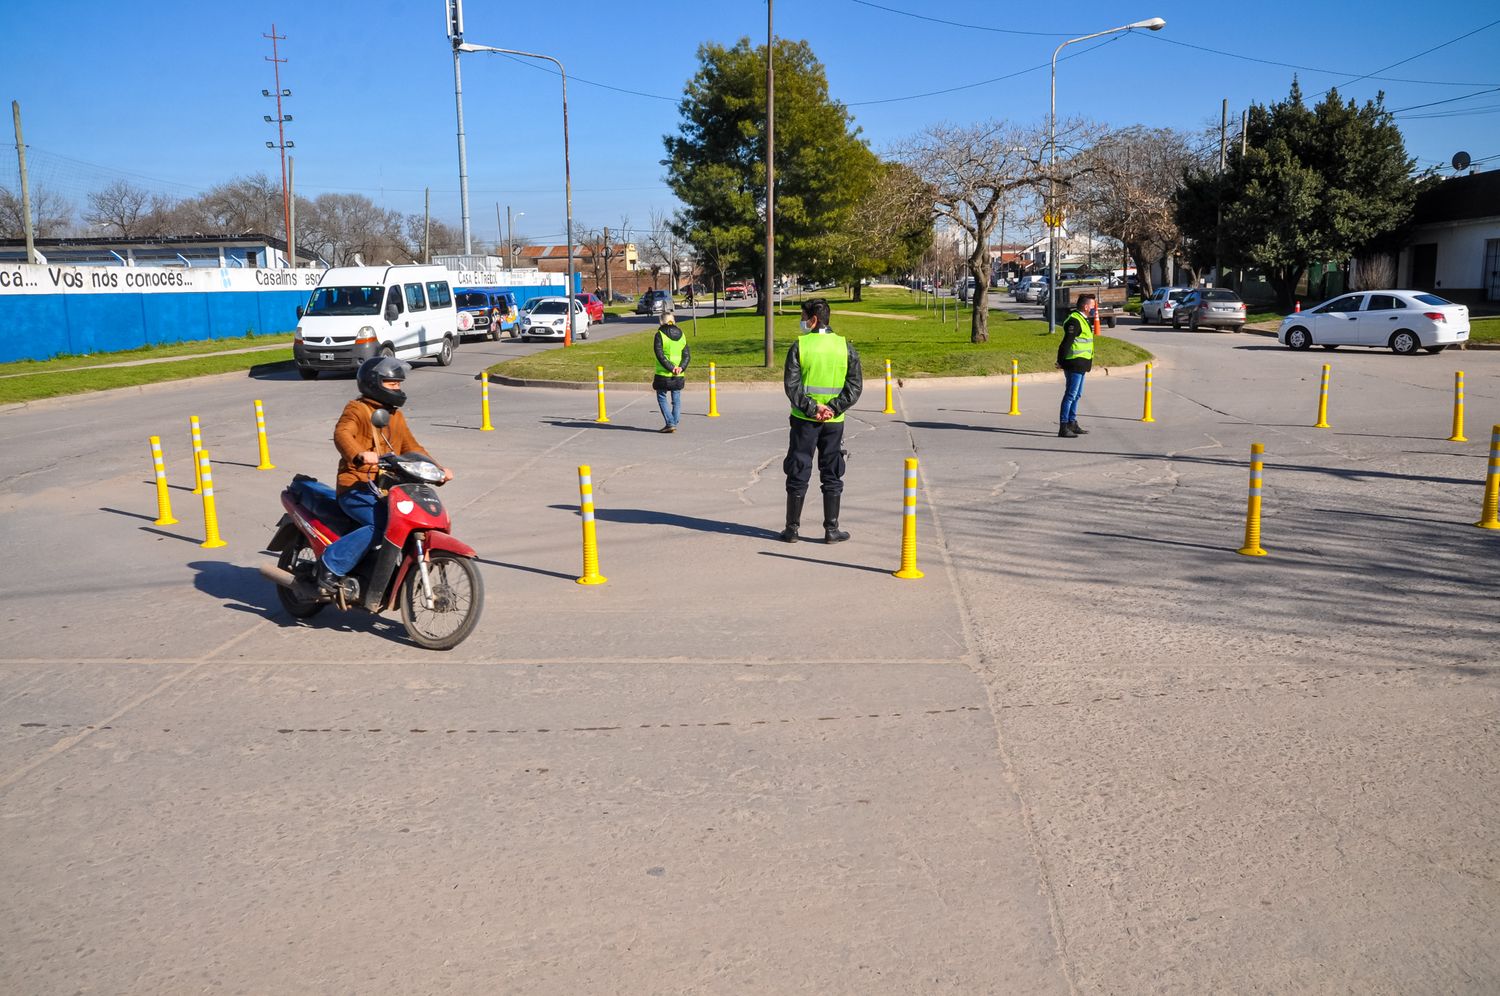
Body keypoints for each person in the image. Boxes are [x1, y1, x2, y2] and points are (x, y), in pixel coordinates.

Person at [317, 356, 451, 596]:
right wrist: (359, 454)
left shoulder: (395, 415)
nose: (397, 388)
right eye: (391, 383)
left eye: (398, 383)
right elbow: (342, 434)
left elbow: (413, 448)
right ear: (374, 383)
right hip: (356, 485)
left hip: (389, 487)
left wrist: (438, 469)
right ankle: (331, 565)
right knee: (381, 523)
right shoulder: (357, 409)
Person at [780, 297, 863, 543]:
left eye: (804, 317)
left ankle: (792, 529)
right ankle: (831, 529)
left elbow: (791, 385)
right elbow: (854, 386)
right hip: (834, 422)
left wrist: (811, 408)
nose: (802, 322)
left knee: (798, 469)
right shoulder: (845, 347)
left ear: (814, 320)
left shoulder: (800, 346)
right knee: (832, 471)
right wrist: (833, 408)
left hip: (804, 421)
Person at [1056, 292, 1097, 439]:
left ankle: (1072, 422)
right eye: (1092, 305)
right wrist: (1060, 361)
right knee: (1070, 395)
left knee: (1077, 394)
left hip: (1082, 363)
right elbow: (1066, 342)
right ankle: (1063, 426)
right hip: (1074, 362)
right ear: (1086, 307)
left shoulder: (1083, 319)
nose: (1094, 308)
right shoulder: (1075, 320)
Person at [652, 312, 691, 433]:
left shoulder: (660, 335)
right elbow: (687, 355)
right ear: (674, 321)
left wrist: (670, 368)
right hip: (678, 374)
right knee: (676, 398)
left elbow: (660, 355)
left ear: (661, 322)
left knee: (662, 397)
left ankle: (670, 422)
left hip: (663, 374)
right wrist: (680, 368)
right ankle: (674, 421)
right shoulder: (682, 335)